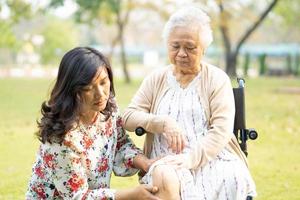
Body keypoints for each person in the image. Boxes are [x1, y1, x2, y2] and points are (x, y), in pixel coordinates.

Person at [122, 7, 257, 200]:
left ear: (203, 48)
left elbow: (221, 131)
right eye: (175, 46)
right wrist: (163, 122)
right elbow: (128, 116)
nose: (181, 54)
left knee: (233, 177)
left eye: (190, 47)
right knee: (165, 176)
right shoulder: (156, 79)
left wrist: (189, 159)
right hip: (166, 159)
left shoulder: (217, 79)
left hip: (211, 157)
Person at [26, 47, 162, 200]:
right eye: (88, 88)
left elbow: (120, 144)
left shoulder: (106, 109)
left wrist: (145, 163)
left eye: (104, 82)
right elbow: (78, 196)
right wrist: (132, 195)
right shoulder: (61, 137)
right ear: (73, 90)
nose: (101, 94)